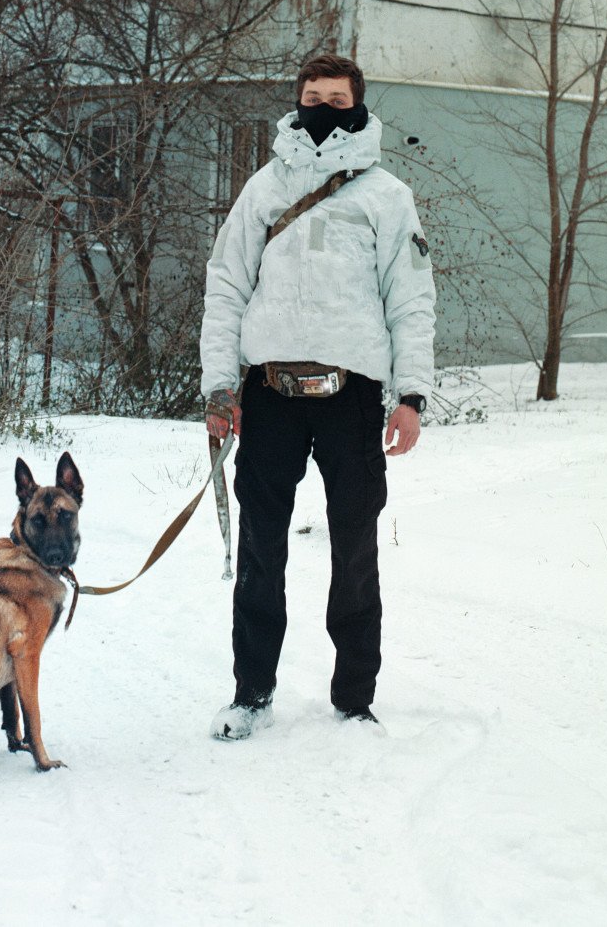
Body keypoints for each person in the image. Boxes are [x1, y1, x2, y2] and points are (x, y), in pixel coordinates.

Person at [199, 53, 435, 739]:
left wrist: (411, 395)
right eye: (312, 96)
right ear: (296, 103)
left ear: (358, 108)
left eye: (337, 98)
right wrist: (220, 385)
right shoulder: (263, 190)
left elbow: (412, 299)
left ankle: (354, 698)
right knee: (261, 549)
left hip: (350, 397)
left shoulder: (386, 197)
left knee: (354, 549)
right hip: (268, 394)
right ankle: (251, 693)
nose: (324, 108)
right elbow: (225, 287)